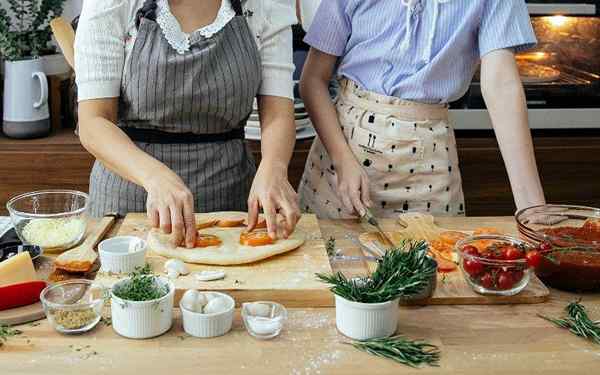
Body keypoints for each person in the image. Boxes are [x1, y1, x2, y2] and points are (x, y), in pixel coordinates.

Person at [75, 0, 300, 247]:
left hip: (229, 201)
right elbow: (93, 121)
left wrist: (274, 166)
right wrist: (154, 176)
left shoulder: (263, 6)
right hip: (129, 205)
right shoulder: (114, 4)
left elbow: (278, 112)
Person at [298, 0, 546, 219]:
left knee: (436, 265)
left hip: (430, 164)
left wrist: (532, 207)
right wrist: (342, 161)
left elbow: (501, 86)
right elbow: (312, 81)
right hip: (342, 156)